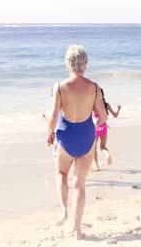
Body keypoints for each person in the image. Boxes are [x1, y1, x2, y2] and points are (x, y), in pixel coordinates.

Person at [46, 45, 108, 239]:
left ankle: (64, 211)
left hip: (65, 137)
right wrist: (94, 126)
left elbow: (53, 116)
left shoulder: (59, 86)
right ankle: (77, 229)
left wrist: (50, 132)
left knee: (61, 174)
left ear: (67, 64)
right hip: (86, 137)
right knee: (79, 184)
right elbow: (104, 116)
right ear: (85, 64)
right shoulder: (95, 87)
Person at [91, 88, 121, 171]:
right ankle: (107, 154)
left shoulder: (93, 105)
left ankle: (96, 166)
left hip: (95, 128)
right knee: (103, 147)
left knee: (94, 148)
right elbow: (115, 115)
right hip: (104, 128)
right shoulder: (107, 105)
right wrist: (118, 109)